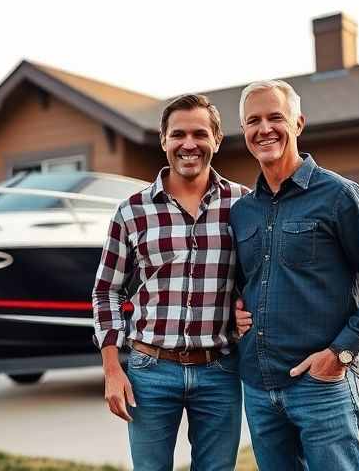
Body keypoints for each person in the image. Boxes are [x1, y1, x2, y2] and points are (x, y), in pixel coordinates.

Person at [231, 80, 359, 470]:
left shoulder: (340, 196)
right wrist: (234, 310)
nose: (264, 129)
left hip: (320, 387)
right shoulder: (242, 211)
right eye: (253, 121)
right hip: (260, 390)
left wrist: (340, 354)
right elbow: (248, 281)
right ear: (243, 130)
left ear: (298, 123)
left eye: (275, 117)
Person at [92, 94, 248, 471]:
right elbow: (106, 291)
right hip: (150, 371)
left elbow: (258, 279)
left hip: (220, 371)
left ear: (217, 139)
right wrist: (113, 369)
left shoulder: (244, 204)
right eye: (178, 134)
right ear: (164, 140)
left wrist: (248, 310)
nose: (189, 144)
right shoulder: (131, 211)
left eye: (199, 133)